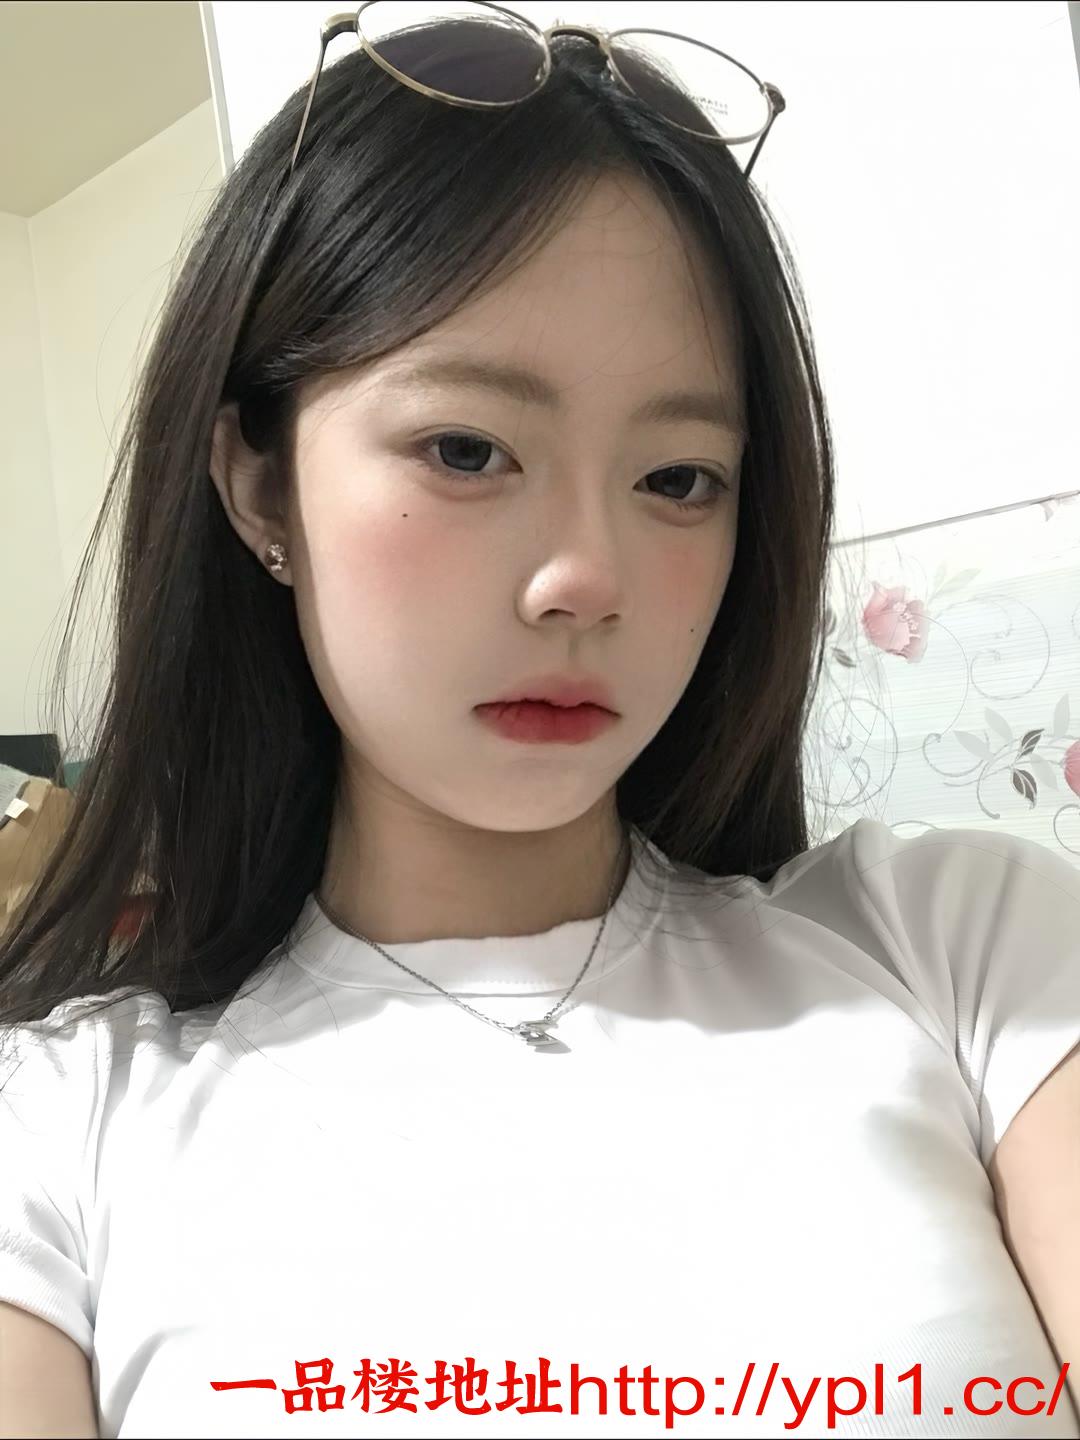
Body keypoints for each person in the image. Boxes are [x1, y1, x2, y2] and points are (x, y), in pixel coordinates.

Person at [1, 16, 1078, 1440]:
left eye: (679, 478)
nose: (586, 578)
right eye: (468, 450)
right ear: (261, 487)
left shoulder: (971, 954)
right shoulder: (57, 1128)